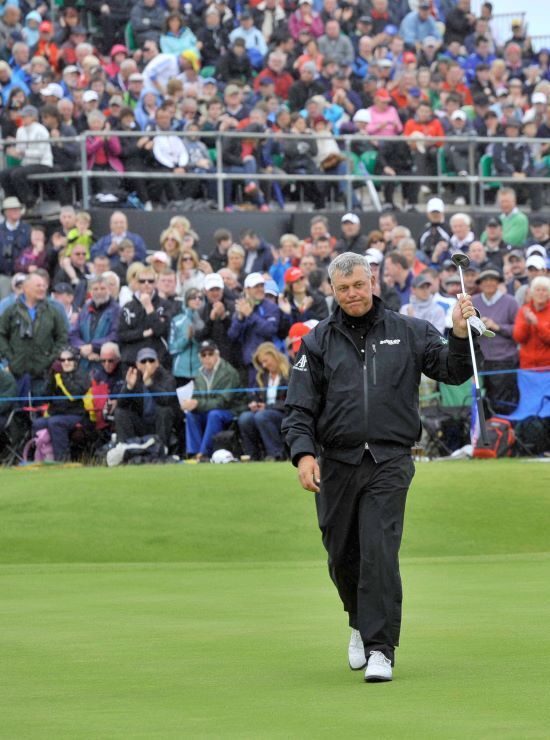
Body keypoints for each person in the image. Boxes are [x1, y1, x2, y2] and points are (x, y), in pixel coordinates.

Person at [282, 252, 476, 683]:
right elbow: (298, 408)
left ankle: (380, 649)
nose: (352, 294)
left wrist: (460, 334)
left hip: (390, 459)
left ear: (372, 281)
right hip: (336, 462)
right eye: (343, 288)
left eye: (359, 284)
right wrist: (304, 454)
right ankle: (358, 618)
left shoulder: (409, 331)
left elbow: (452, 370)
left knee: (379, 551)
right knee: (342, 556)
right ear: (332, 290)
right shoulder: (317, 341)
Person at [0, 273, 68, 397]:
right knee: (17, 406)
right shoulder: (11, 310)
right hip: (17, 373)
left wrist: (51, 358)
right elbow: (1, 335)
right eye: (38, 286)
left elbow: (62, 337)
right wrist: (10, 358)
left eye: (43, 286)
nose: (42, 288)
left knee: (41, 405)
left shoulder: (53, 310)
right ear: (26, 288)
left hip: (43, 374)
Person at [180, 340, 242, 461]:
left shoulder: (228, 372)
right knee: (191, 414)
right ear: (200, 358)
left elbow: (222, 402)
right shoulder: (199, 374)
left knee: (214, 414)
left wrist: (198, 403)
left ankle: (204, 453)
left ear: (217, 355)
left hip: (231, 410)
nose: (207, 358)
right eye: (203, 355)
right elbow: (196, 397)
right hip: (208, 411)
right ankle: (193, 453)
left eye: (210, 354)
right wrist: (190, 404)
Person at [471, 268, 520, 414]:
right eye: (485, 280)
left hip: (504, 360)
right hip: (480, 359)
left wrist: (496, 326)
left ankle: (502, 427)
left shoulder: (510, 302)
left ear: (498, 282)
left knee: (502, 404)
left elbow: (518, 331)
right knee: (481, 403)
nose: (489, 283)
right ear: (480, 284)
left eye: (492, 280)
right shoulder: (473, 301)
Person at [31, 346, 90, 461]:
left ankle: (62, 460)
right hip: (55, 413)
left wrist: (62, 376)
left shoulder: (81, 374)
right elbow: (45, 397)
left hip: (75, 414)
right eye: (62, 360)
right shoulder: (56, 374)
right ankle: (43, 457)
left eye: (69, 359)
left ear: (75, 361)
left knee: (55, 422)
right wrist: (51, 377)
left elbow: (74, 395)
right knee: (38, 423)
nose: (66, 362)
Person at [115, 346, 177, 449]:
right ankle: (126, 449)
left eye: (151, 361)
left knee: (164, 410)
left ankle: (161, 449)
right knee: (120, 413)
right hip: (141, 423)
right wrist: (129, 387)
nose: (147, 364)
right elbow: (120, 405)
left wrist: (149, 383)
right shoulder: (134, 376)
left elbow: (166, 401)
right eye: (143, 361)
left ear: (157, 363)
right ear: (137, 364)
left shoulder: (167, 377)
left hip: (160, 425)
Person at [237, 342, 289, 461]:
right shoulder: (262, 376)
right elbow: (255, 396)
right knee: (245, 418)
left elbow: (292, 401)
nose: (264, 365)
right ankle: (252, 456)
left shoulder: (289, 373)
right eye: (262, 363)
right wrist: (254, 403)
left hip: (284, 413)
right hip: (264, 412)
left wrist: (268, 407)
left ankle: (276, 454)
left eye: (266, 361)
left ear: (274, 355)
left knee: (262, 416)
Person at [512, 276, 550, 369]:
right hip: (527, 366)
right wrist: (526, 324)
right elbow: (518, 338)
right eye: (537, 290)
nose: (540, 293)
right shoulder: (524, 310)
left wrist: (537, 324)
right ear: (532, 292)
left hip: (547, 367)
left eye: (544, 290)